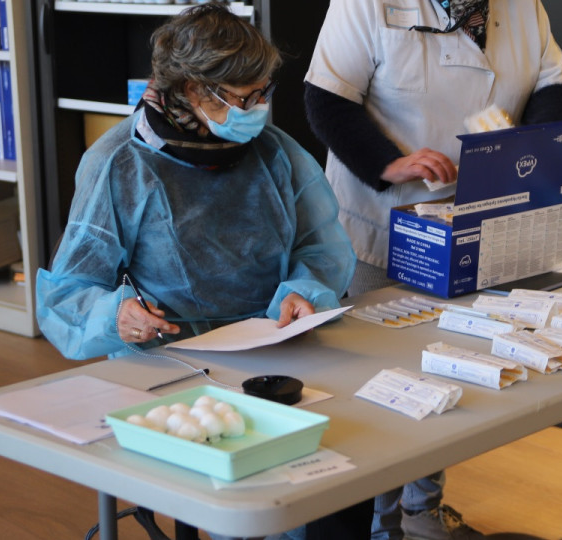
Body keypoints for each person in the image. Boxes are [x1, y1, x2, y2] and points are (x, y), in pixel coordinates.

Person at [35, 4, 368, 538]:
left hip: (273, 342)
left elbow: (319, 245)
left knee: (342, 470)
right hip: (171, 361)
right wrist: (115, 316)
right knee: (252, 492)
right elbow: (69, 291)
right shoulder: (121, 163)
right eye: (243, 98)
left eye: (264, 93)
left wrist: (306, 287)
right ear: (193, 90)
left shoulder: (274, 152)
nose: (258, 109)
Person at [304, 1, 562, 538]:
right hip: (380, 222)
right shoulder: (367, 5)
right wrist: (387, 162)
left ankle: (421, 513)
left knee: (441, 368)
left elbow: (554, 88)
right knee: (375, 386)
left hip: (467, 220)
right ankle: (375, 526)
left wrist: (529, 149)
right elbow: (327, 100)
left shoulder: (521, 6)